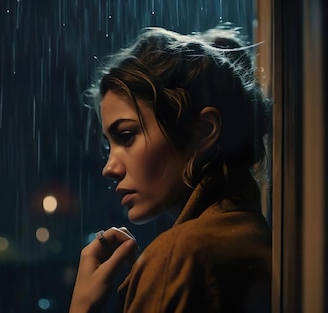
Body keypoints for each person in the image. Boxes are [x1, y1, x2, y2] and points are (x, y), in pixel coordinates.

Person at [70, 25, 272, 312]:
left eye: (126, 136)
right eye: (109, 145)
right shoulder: (248, 231)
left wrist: (81, 308)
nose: (109, 168)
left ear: (202, 132)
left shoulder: (176, 259)